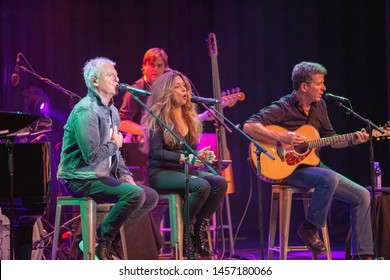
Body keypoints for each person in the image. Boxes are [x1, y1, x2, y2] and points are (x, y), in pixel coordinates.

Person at [243, 61, 374, 260]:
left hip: (313, 167)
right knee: (328, 177)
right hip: (287, 170)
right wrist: (283, 137)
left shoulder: (320, 106)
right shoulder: (283, 106)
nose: (324, 88)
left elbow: (331, 139)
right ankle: (309, 228)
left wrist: (353, 140)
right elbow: (249, 126)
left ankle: (362, 257)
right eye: (320, 83)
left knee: (363, 195)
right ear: (304, 86)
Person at [57, 57, 158, 260]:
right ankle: (103, 241)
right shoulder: (86, 111)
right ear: (94, 81)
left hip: (100, 175)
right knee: (134, 195)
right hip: (79, 178)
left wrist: (125, 174)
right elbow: (92, 155)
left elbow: (115, 154)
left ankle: (103, 237)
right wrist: (115, 144)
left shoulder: (112, 111)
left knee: (150, 196)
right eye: (110, 75)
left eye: (116, 75)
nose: (117, 79)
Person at [140, 70, 228, 258]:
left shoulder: (189, 117)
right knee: (200, 185)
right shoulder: (157, 116)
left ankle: (198, 229)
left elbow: (188, 152)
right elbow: (156, 153)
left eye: (185, 87)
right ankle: (185, 234)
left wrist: (198, 155)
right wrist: (185, 158)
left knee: (219, 182)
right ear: (166, 92)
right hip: (161, 172)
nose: (184, 90)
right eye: (178, 87)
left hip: (182, 170)